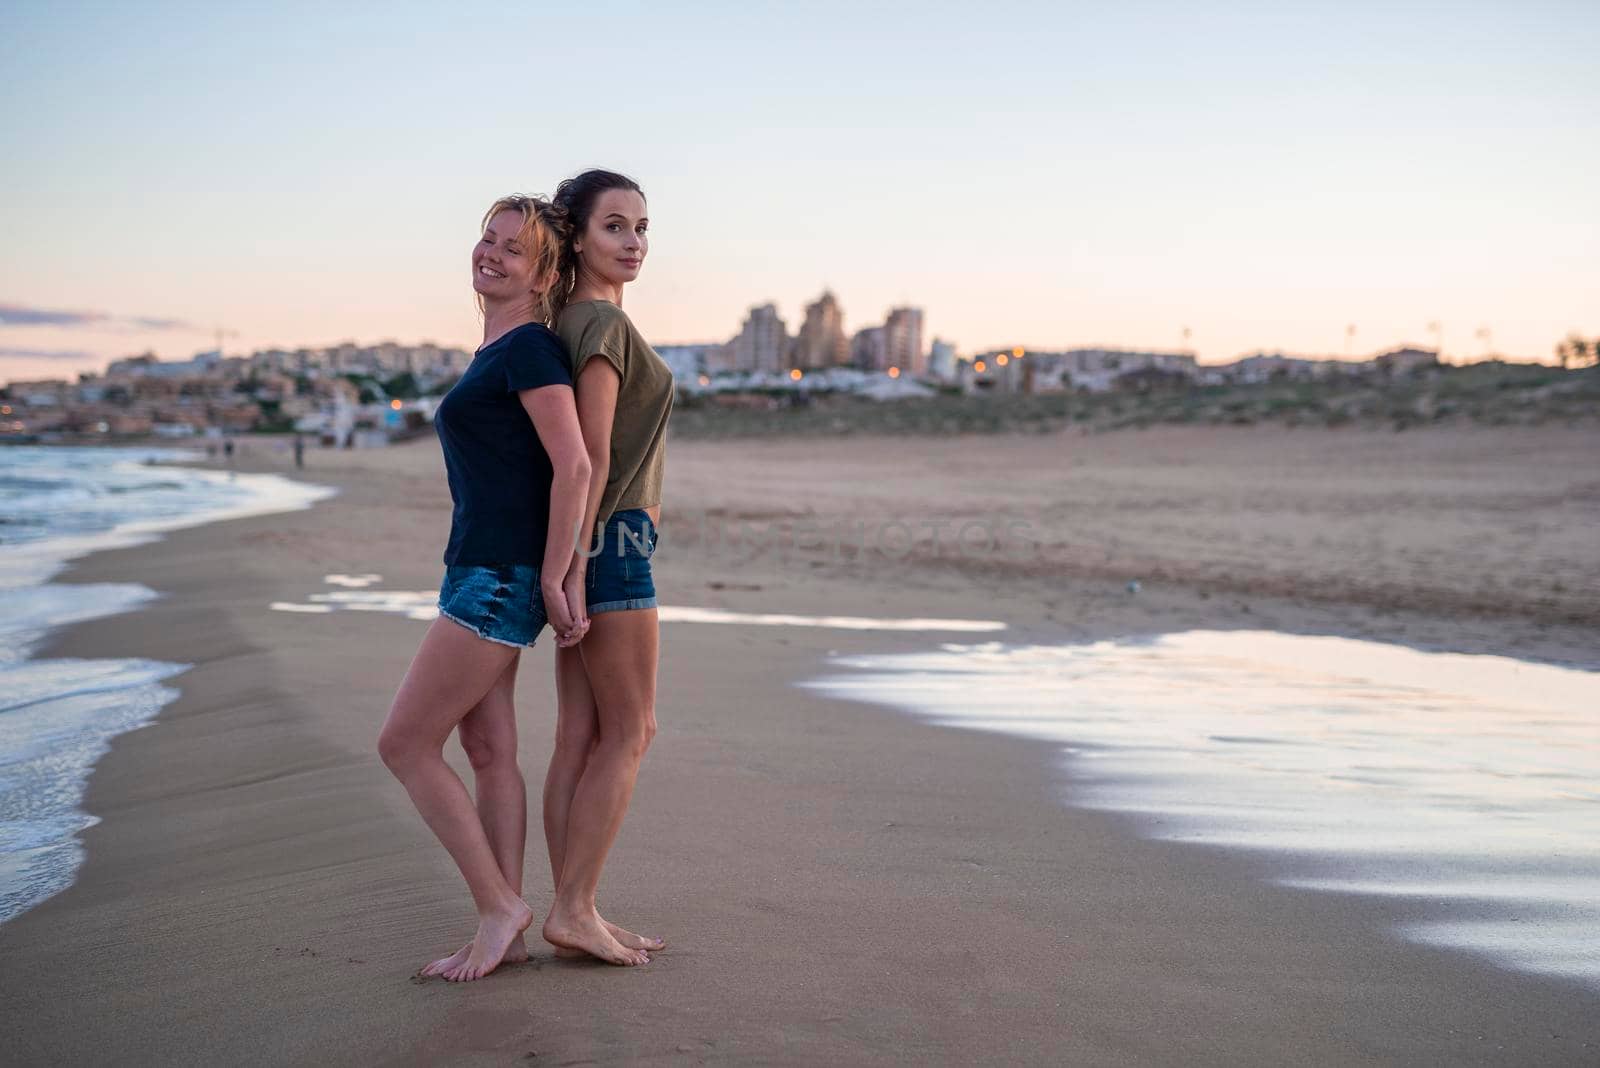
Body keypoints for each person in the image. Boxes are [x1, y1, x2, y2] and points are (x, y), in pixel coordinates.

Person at [377, 195, 596, 982]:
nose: (490, 255)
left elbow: (573, 465)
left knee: (403, 743)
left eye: (513, 249)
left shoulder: (531, 349)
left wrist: (552, 571)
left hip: (501, 577)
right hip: (479, 565)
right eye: (486, 239)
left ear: (543, 273)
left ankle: (500, 905)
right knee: (488, 748)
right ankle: (502, 926)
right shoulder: (498, 347)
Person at [539, 170, 674, 966]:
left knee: (581, 735)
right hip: (611, 546)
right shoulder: (600, 328)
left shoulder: (578, 322)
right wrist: (582, 564)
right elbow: (585, 458)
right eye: (616, 227)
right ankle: (575, 908)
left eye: (643, 227)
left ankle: (571, 908)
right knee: (631, 729)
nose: (635, 243)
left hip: (604, 541)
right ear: (579, 236)